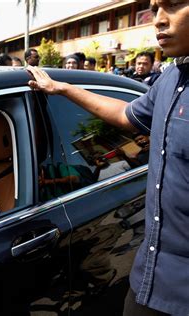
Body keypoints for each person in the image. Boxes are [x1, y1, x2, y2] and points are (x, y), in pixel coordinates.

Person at [27, 1, 188, 314]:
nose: (159, 20)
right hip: (150, 280)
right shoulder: (170, 80)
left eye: (173, 4)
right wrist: (62, 88)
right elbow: (125, 114)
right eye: (154, 9)